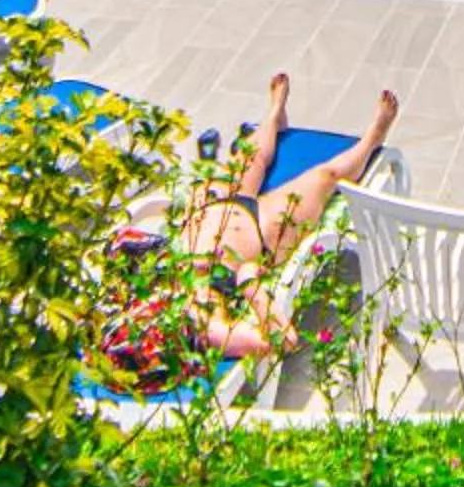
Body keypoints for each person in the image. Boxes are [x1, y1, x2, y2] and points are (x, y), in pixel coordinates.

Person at [101, 73, 399, 382]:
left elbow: (117, 249)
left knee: (251, 159)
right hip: (261, 233)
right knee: (326, 177)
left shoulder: (142, 293)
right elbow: (282, 341)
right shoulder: (206, 328)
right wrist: (251, 285)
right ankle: (371, 142)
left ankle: (274, 116)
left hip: (213, 208)